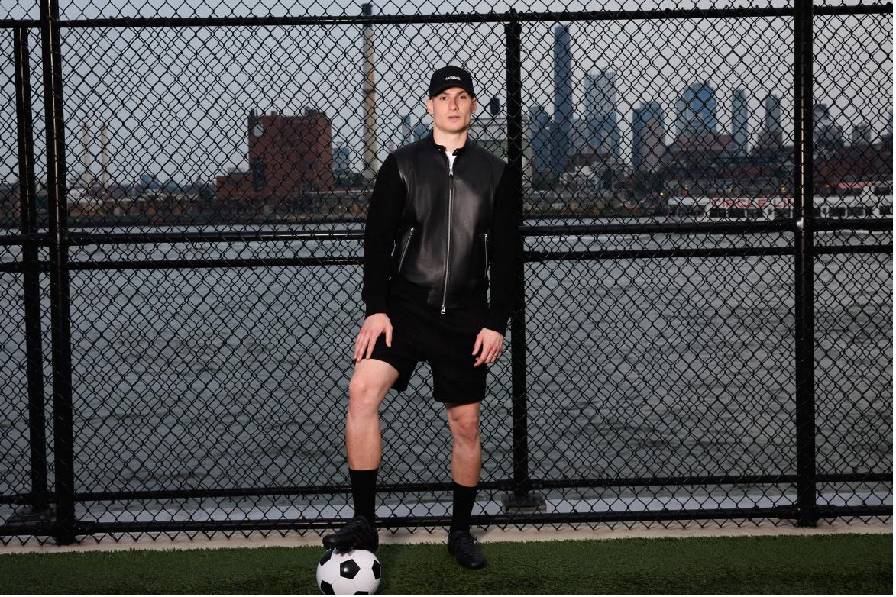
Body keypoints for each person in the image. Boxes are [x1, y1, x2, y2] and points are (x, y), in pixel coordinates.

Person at [321, 65, 521, 570]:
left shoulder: (497, 174)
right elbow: (377, 242)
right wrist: (376, 309)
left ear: (471, 105)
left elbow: (506, 257)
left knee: (466, 424)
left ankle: (459, 531)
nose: (453, 104)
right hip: (404, 310)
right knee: (362, 391)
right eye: (444, 97)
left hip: (466, 317)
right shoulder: (402, 165)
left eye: (461, 96)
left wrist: (495, 322)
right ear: (430, 105)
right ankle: (365, 521)